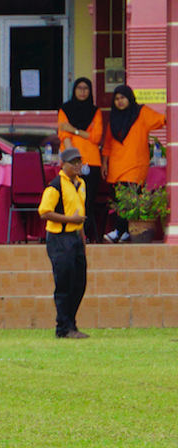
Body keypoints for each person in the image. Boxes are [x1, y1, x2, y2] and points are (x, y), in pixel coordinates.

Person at [102, 84, 164, 242]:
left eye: (123, 97)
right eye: (117, 98)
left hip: (135, 164)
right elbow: (108, 144)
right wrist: (104, 163)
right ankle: (125, 231)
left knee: (129, 197)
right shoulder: (113, 119)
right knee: (119, 200)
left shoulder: (141, 112)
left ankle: (118, 231)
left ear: (130, 98)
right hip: (116, 166)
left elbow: (162, 120)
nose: (120, 101)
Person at [39, 147, 89, 339]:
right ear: (63, 165)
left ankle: (71, 323)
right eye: (73, 163)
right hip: (60, 238)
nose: (77, 166)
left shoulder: (81, 184)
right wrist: (70, 220)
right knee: (64, 283)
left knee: (79, 283)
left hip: (75, 237)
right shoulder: (55, 185)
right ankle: (63, 327)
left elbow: (80, 213)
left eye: (79, 162)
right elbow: (44, 212)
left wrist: (82, 239)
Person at [57, 77, 104, 243]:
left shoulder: (95, 111)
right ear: (74, 90)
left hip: (92, 161)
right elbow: (64, 135)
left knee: (87, 200)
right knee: (71, 198)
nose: (82, 92)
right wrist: (74, 160)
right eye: (79, 88)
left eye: (86, 88)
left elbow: (96, 137)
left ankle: (86, 235)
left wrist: (74, 130)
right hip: (72, 162)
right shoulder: (65, 109)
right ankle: (73, 234)